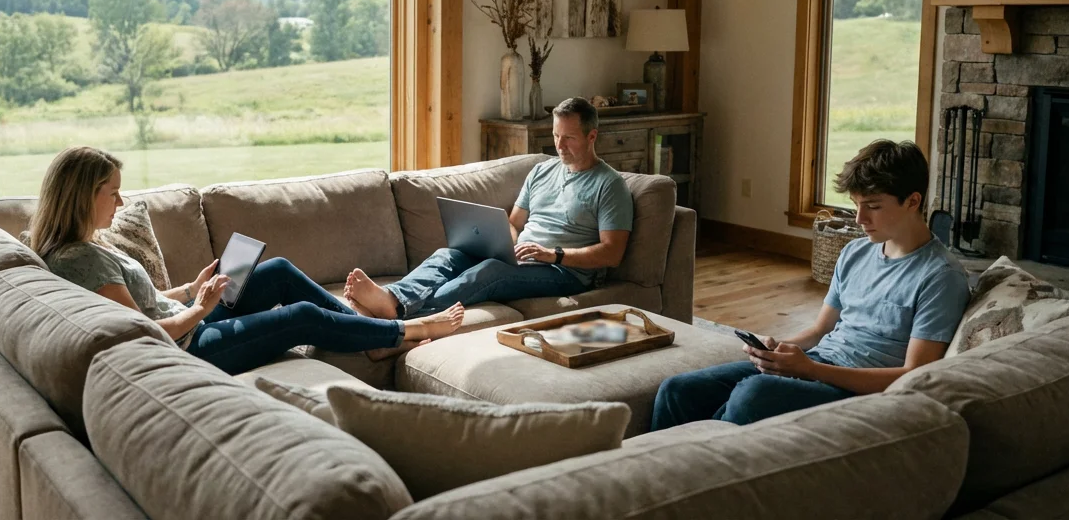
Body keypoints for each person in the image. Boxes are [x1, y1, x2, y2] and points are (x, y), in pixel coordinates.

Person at [31, 146, 464, 375]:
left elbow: (139, 302)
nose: (121, 201)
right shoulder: (80, 261)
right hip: (190, 347)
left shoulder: (87, 247)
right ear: (83, 196)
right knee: (300, 317)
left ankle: (370, 340)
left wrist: (188, 291)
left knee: (275, 272)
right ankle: (407, 327)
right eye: (113, 193)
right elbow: (140, 330)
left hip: (189, 321)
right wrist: (200, 308)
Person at [649, 139, 971, 430]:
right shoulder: (856, 252)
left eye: (872, 206)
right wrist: (780, 350)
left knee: (752, 395)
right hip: (818, 364)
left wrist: (811, 370)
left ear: (912, 201)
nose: (859, 219)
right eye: (856, 204)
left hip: (851, 387)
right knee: (677, 390)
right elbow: (819, 332)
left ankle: (695, 469)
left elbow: (913, 375)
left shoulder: (940, 276)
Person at [345, 97, 634, 320]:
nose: (559, 145)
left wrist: (553, 255)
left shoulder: (609, 185)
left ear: (592, 136)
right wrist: (505, 243)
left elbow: (613, 252)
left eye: (569, 137)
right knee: (449, 255)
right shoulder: (542, 171)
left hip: (565, 273)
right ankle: (392, 297)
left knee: (490, 271)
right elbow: (514, 222)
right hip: (522, 258)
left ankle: (398, 318)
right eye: (556, 135)